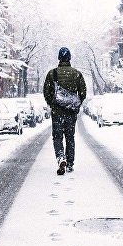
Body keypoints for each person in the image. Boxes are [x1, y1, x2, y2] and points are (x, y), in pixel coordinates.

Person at [43, 46, 87, 175]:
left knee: (57, 137)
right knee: (70, 138)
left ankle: (61, 157)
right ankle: (70, 164)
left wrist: (52, 103)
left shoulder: (52, 74)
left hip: (57, 112)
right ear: (69, 58)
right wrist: (76, 104)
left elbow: (46, 92)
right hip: (71, 113)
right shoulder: (77, 74)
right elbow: (83, 92)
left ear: (59, 58)